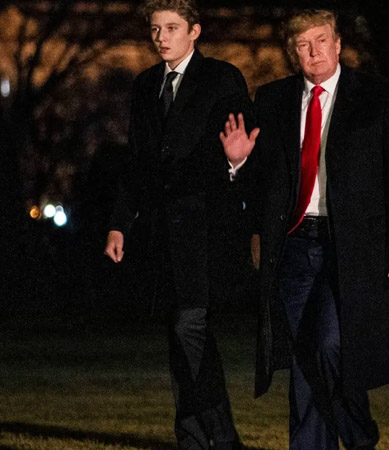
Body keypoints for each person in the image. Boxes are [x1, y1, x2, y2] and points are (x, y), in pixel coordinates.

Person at [220, 9, 389, 450]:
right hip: (293, 244)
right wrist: (238, 162)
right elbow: (265, 184)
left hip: (351, 247)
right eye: (303, 45)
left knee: (330, 345)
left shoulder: (376, 95)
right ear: (294, 53)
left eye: (321, 40)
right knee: (300, 354)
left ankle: (358, 434)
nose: (314, 52)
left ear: (338, 44)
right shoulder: (273, 99)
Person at [104, 1, 252, 449]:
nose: (162, 37)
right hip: (161, 232)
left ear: (195, 32)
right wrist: (119, 224)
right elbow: (136, 162)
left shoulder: (222, 78)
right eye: (155, 30)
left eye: (171, 28)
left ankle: (222, 440)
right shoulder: (146, 84)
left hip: (207, 230)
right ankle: (191, 438)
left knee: (189, 328)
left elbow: (242, 147)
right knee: (180, 333)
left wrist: (237, 161)